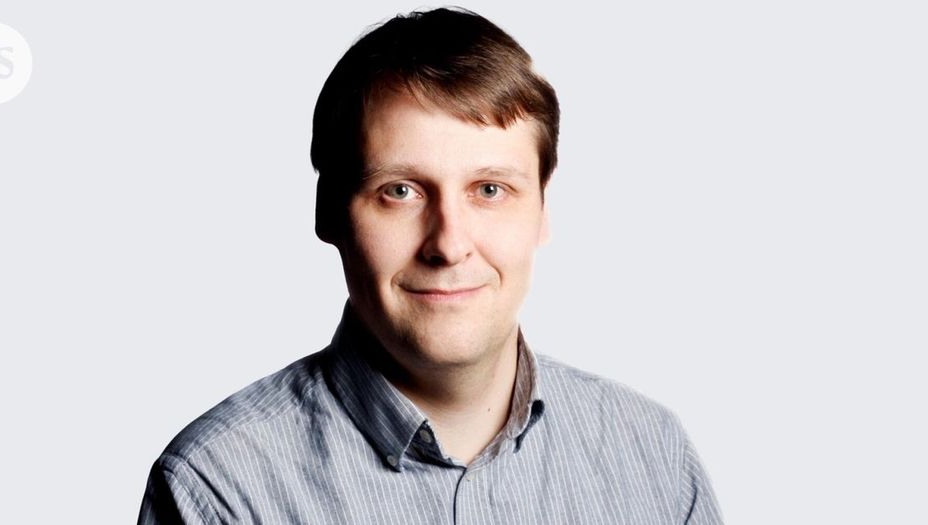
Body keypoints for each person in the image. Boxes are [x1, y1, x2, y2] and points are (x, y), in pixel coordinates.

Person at [138, 7, 723, 524]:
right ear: (329, 213)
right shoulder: (217, 488)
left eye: (490, 190)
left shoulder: (653, 455)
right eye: (400, 191)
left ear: (543, 211)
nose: (449, 244)